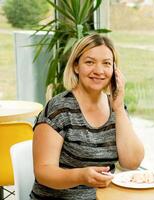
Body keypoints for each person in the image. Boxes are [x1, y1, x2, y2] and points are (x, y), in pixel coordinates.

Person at [30, 34, 145, 200]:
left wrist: (119, 109)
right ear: (76, 66)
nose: (99, 71)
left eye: (106, 63)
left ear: (114, 70)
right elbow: (43, 172)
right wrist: (80, 176)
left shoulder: (116, 107)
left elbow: (132, 162)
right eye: (90, 62)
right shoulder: (59, 109)